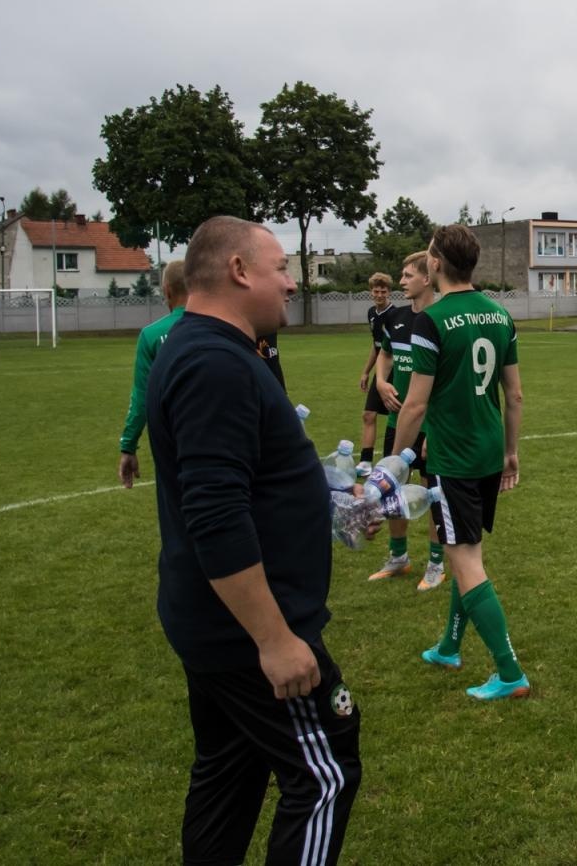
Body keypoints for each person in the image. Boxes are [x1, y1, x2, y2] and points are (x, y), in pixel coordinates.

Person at [146, 215, 360, 865]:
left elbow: (243, 481)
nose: (291, 284)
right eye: (281, 270)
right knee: (326, 774)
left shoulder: (211, 350)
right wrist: (274, 639)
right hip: (247, 636)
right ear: (239, 271)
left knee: (228, 777)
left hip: (211, 627)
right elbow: (214, 514)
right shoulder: (213, 361)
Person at [392, 224, 529, 701]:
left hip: (453, 457)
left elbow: (414, 406)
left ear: (435, 264)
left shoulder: (430, 320)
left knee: (466, 559)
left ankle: (509, 672)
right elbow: (513, 394)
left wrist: (395, 463)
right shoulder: (500, 315)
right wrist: (511, 451)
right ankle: (449, 645)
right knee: (464, 549)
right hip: (490, 451)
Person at [369, 251, 446, 592]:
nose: (400, 282)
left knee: (433, 494)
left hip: (431, 426)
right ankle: (398, 557)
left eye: (407, 276)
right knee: (392, 490)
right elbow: (385, 354)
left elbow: (445, 380)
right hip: (397, 423)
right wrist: (382, 381)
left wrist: (437, 427)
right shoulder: (397, 318)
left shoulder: (441, 320)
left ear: (427, 278)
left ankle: (435, 563)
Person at [118, 259, 187, 489]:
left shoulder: (151, 335)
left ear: (167, 291)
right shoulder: (224, 325)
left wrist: (128, 446)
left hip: (173, 441)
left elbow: (142, 397)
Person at [356, 272, 394, 465]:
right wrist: (366, 371)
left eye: (383, 291)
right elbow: (376, 345)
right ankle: (365, 462)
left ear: (389, 293)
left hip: (395, 371)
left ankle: (395, 462)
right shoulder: (371, 313)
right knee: (368, 414)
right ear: (371, 291)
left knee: (396, 420)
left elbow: (391, 350)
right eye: (376, 291)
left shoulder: (395, 315)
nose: (379, 295)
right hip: (379, 371)